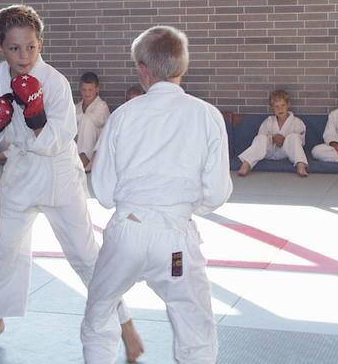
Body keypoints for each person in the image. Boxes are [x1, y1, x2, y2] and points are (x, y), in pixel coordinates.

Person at [0, 5, 142, 361]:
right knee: (5, 252)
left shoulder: (55, 82)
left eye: (30, 47)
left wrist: (36, 117)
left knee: (85, 255)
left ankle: (125, 322)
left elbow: (61, 137)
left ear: (41, 43)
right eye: (14, 48)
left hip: (59, 176)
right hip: (20, 175)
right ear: (1, 47)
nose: (24, 56)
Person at [81, 25, 233, 364]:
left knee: (99, 313)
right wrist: (182, 206)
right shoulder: (207, 115)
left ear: (142, 69)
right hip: (175, 240)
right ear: (184, 65)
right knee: (195, 328)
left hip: (127, 234)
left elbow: (103, 191)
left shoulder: (123, 115)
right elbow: (217, 192)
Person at [237, 90, 308, 177]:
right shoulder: (269, 121)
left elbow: (301, 142)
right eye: (276, 106)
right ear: (272, 108)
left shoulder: (297, 122)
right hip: (269, 152)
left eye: (283, 105)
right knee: (261, 138)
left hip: (286, 152)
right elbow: (259, 139)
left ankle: (300, 164)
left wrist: (286, 140)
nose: (280, 109)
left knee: (294, 137)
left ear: (288, 105)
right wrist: (272, 139)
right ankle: (247, 164)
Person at [75, 72, 110, 170]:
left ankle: (84, 158)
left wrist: (77, 118)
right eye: (84, 90)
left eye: (90, 90)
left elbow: (96, 121)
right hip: (76, 148)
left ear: (97, 89)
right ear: (80, 89)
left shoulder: (102, 106)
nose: (87, 93)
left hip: (95, 150)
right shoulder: (76, 107)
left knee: (86, 120)